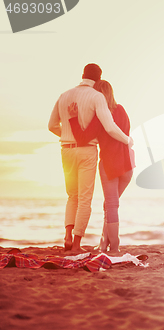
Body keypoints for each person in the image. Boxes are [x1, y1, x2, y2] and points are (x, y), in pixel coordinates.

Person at [48, 64, 132, 252]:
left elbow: (56, 127)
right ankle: (91, 244)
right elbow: (115, 129)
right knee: (98, 202)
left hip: (80, 154)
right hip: (107, 157)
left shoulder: (67, 97)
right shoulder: (110, 104)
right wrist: (128, 140)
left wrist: (69, 126)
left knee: (77, 197)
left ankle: (75, 238)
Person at [67, 80, 134, 253]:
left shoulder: (99, 117)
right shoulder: (122, 110)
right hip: (127, 165)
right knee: (110, 205)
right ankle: (104, 243)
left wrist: (74, 118)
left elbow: (82, 138)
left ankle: (115, 246)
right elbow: (125, 133)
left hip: (110, 165)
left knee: (111, 205)